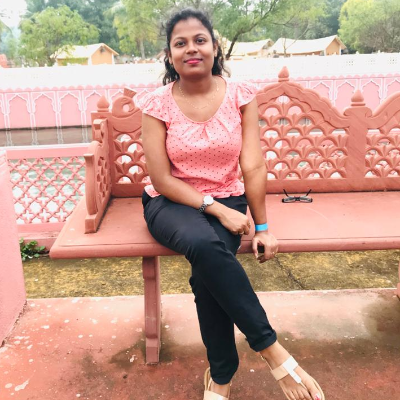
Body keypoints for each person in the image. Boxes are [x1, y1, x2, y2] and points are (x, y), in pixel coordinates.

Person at [136, 8, 324, 400]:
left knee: (207, 274)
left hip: (229, 197)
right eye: (180, 43)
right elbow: (162, 179)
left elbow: (252, 165)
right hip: (170, 202)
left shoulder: (240, 96)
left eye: (200, 40)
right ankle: (271, 349)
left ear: (215, 47)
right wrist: (216, 209)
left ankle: (221, 375)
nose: (191, 49)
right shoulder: (156, 104)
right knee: (203, 244)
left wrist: (262, 228)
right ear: (169, 55)